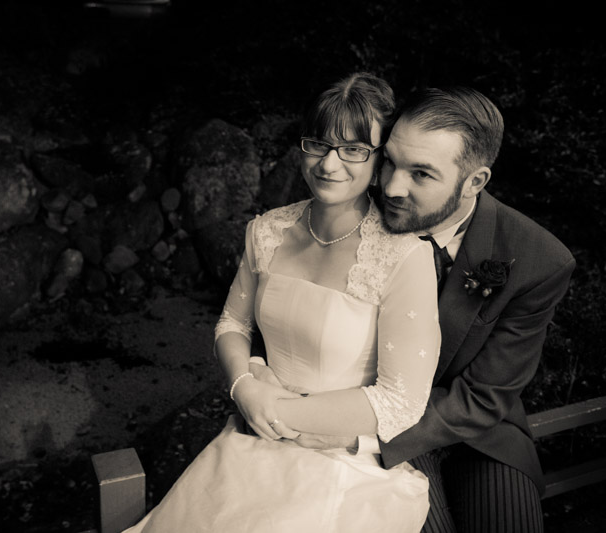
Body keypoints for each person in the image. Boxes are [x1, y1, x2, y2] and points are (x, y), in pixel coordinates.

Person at [124, 72, 441, 533]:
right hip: (253, 435)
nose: (329, 165)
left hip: (342, 458)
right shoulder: (266, 231)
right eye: (318, 144)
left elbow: (400, 402)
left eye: (353, 149)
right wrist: (244, 389)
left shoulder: (403, 256)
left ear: (381, 159)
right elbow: (232, 323)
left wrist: (277, 412)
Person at [252, 87, 576, 532]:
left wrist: (361, 434)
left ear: (475, 182)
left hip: (476, 433)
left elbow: (485, 396)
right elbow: (282, 297)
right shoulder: (344, 205)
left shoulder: (539, 260)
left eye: (421, 174)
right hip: (352, 407)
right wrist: (259, 370)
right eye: (389, 161)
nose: (391, 187)